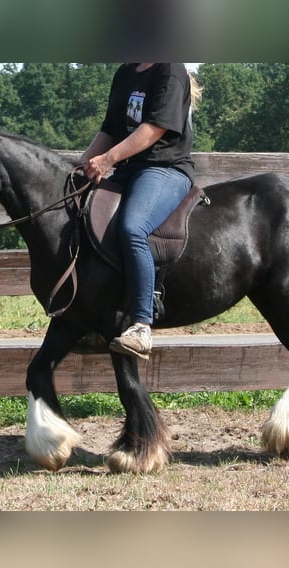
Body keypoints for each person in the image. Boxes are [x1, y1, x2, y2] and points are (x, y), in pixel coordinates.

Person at [80, 63, 198, 359]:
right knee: (83, 220)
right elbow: (109, 128)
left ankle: (142, 326)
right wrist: (79, 167)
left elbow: (154, 128)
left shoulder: (169, 70)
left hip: (164, 169)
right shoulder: (126, 72)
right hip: (128, 169)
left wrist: (108, 160)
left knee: (133, 229)